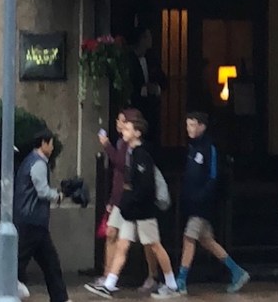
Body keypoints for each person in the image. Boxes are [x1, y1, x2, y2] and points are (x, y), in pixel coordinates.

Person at [86, 115, 179, 299]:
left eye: (128, 129)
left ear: (137, 133)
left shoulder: (141, 155)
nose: (124, 131)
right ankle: (110, 284)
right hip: (131, 210)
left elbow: (145, 186)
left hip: (143, 211)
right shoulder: (132, 153)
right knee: (123, 245)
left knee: (155, 246)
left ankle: (171, 284)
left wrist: (131, 201)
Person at [0, 129, 68, 302]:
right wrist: (58, 195)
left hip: (32, 222)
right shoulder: (38, 163)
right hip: (32, 222)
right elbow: (42, 191)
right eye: (51, 143)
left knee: (49, 263)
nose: (52, 148)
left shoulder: (29, 161)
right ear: (43, 143)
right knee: (18, 264)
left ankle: (60, 298)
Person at [176, 112, 250, 295]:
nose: (189, 129)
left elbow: (213, 176)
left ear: (202, 126)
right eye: (187, 125)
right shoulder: (192, 148)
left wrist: (202, 196)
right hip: (193, 203)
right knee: (207, 241)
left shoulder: (209, 148)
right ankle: (237, 271)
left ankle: (180, 281)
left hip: (202, 204)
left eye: (193, 125)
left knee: (189, 238)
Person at [97, 110, 159, 293]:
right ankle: (109, 279)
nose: (120, 124)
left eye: (124, 121)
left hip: (135, 202)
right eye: (119, 120)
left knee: (151, 243)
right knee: (116, 236)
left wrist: (106, 145)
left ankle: (159, 278)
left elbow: (123, 166)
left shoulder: (136, 149)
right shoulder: (124, 142)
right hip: (123, 200)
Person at [127, 28, 167, 145]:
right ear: (142, 39)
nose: (151, 40)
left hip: (152, 111)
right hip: (136, 108)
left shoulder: (152, 58)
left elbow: (164, 81)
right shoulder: (129, 59)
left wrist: (156, 89)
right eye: (148, 37)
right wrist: (143, 89)